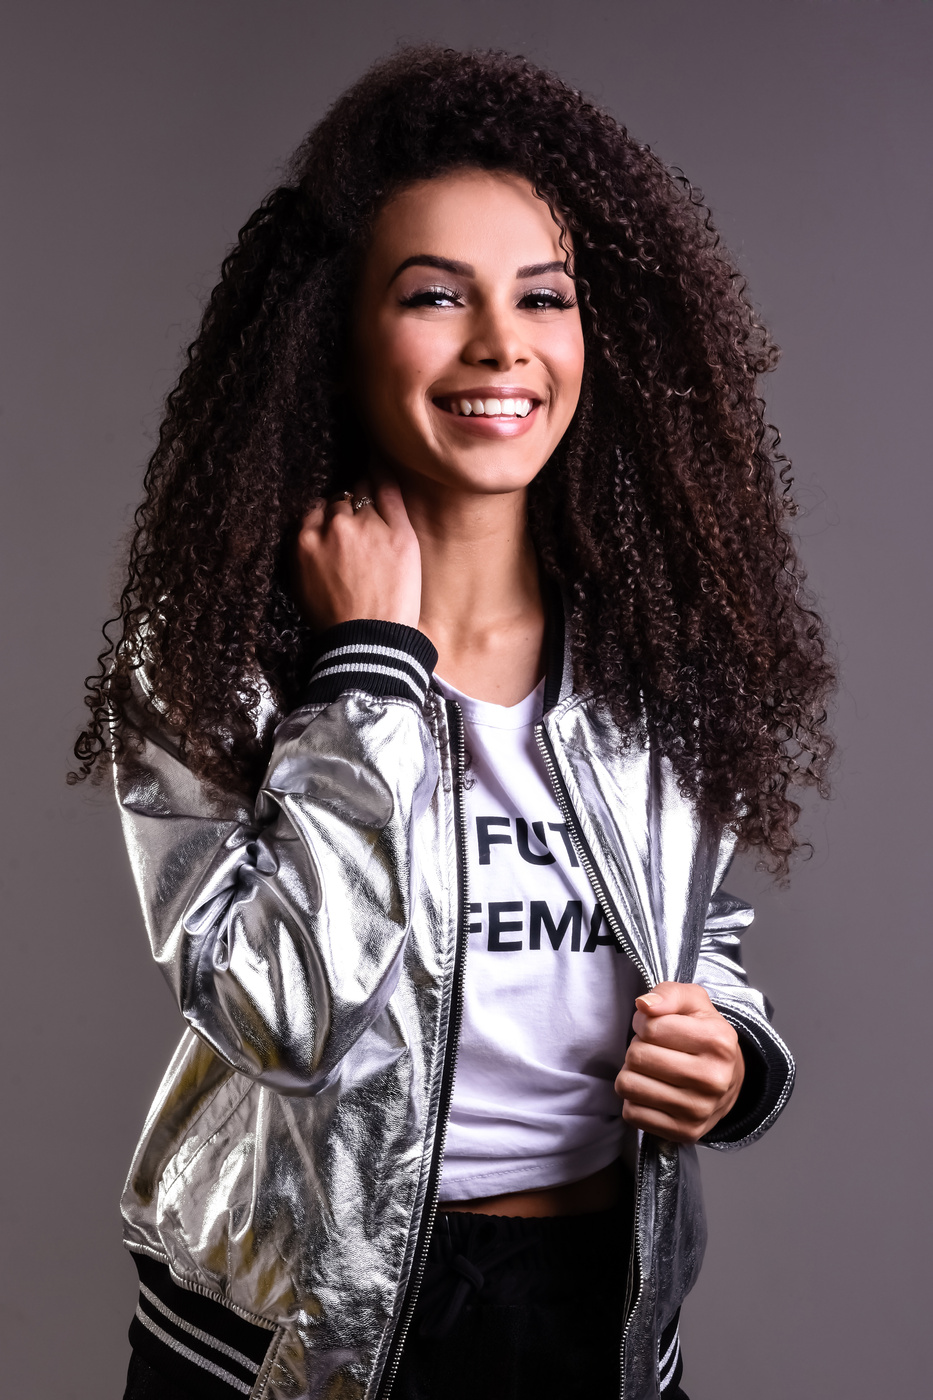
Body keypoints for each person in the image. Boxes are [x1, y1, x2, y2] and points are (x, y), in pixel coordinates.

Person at [73, 45, 833, 1400]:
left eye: (542, 296)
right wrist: (368, 672)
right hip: (295, 1342)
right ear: (337, 329)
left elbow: (689, 929)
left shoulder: (650, 642)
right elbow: (277, 1013)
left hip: (592, 1315)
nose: (501, 345)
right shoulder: (219, 643)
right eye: (436, 295)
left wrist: (729, 1052)